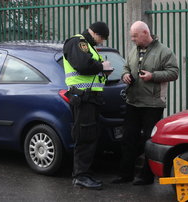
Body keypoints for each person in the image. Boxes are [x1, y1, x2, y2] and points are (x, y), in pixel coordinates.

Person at [113, 21, 178, 185]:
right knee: (128, 139)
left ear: (145, 33)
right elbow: (126, 67)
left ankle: (146, 177)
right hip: (133, 101)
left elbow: (174, 73)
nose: (132, 39)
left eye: (135, 36)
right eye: (131, 36)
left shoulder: (164, 51)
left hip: (152, 104)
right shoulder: (134, 51)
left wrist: (153, 76)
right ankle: (124, 174)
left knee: (149, 141)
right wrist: (125, 75)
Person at [63, 21, 113, 190]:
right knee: (84, 137)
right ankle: (80, 176)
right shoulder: (77, 42)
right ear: (94, 33)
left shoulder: (88, 46)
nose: (102, 42)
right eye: (102, 38)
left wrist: (104, 71)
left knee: (90, 137)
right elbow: (82, 65)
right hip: (83, 98)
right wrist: (102, 66)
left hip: (91, 99)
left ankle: (85, 173)